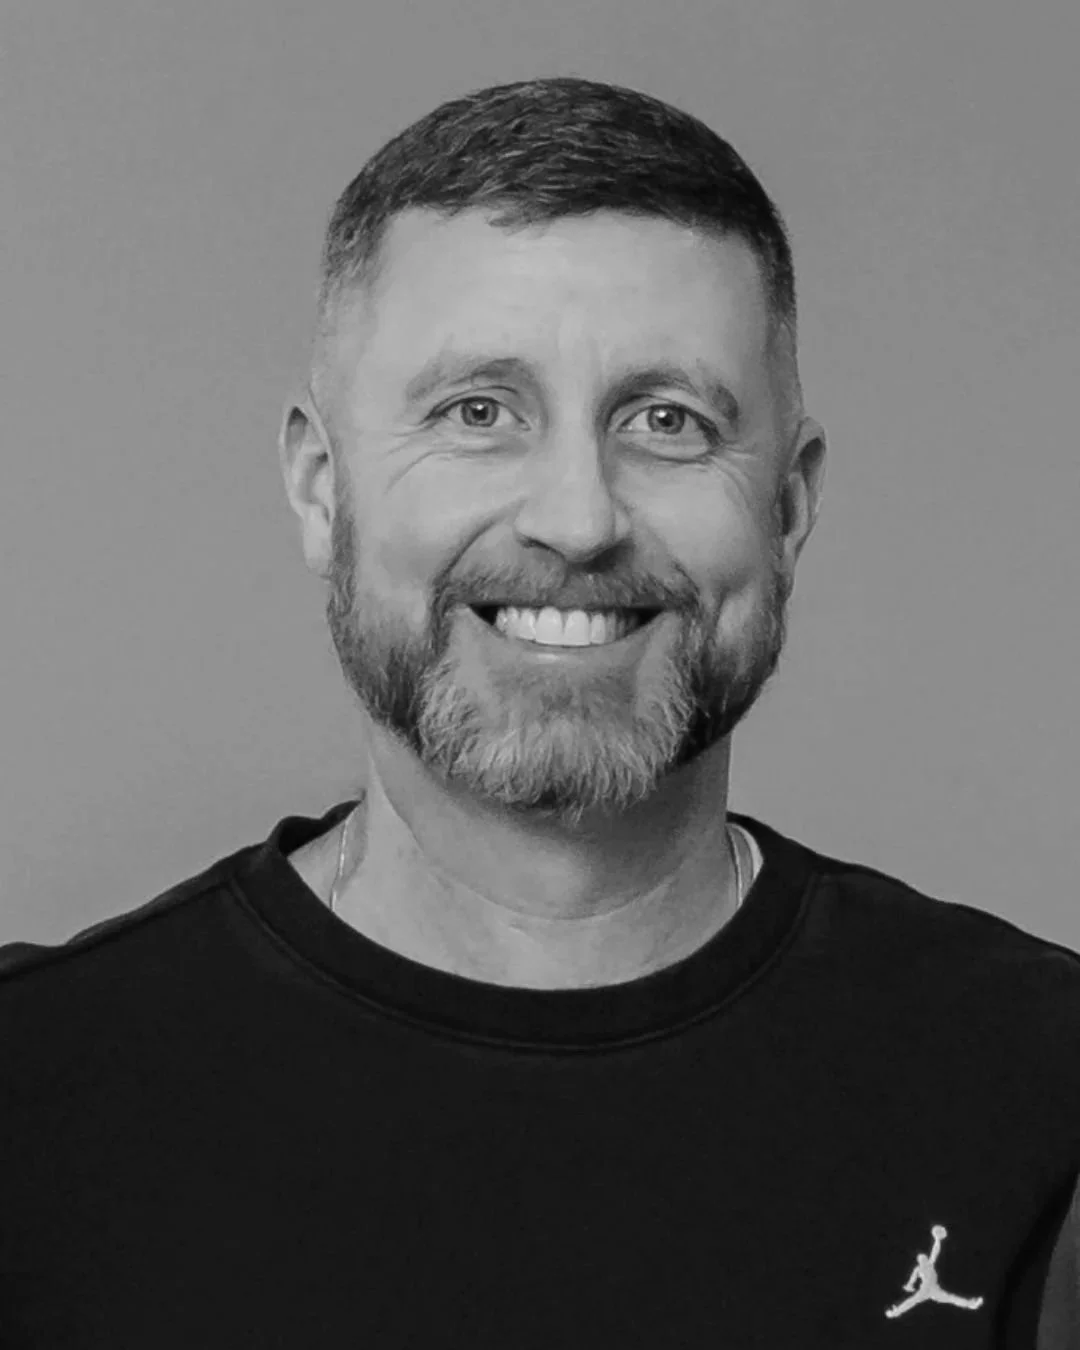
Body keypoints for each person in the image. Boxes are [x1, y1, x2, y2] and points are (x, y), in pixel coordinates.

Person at [1, 76, 1077, 1348]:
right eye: (478, 414)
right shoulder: (35, 1096)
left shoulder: (1040, 1089)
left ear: (788, 508)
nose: (576, 519)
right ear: (320, 486)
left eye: (668, 422)